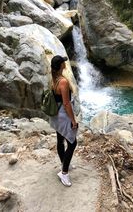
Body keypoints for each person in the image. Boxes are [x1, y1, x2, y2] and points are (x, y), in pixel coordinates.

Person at [49, 55, 78, 187]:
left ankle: (63, 163)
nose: (65, 63)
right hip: (63, 115)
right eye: (63, 62)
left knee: (60, 139)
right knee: (72, 143)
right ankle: (64, 173)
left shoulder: (54, 79)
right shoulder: (63, 82)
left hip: (55, 115)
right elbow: (66, 104)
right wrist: (73, 120)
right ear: (61, 65)